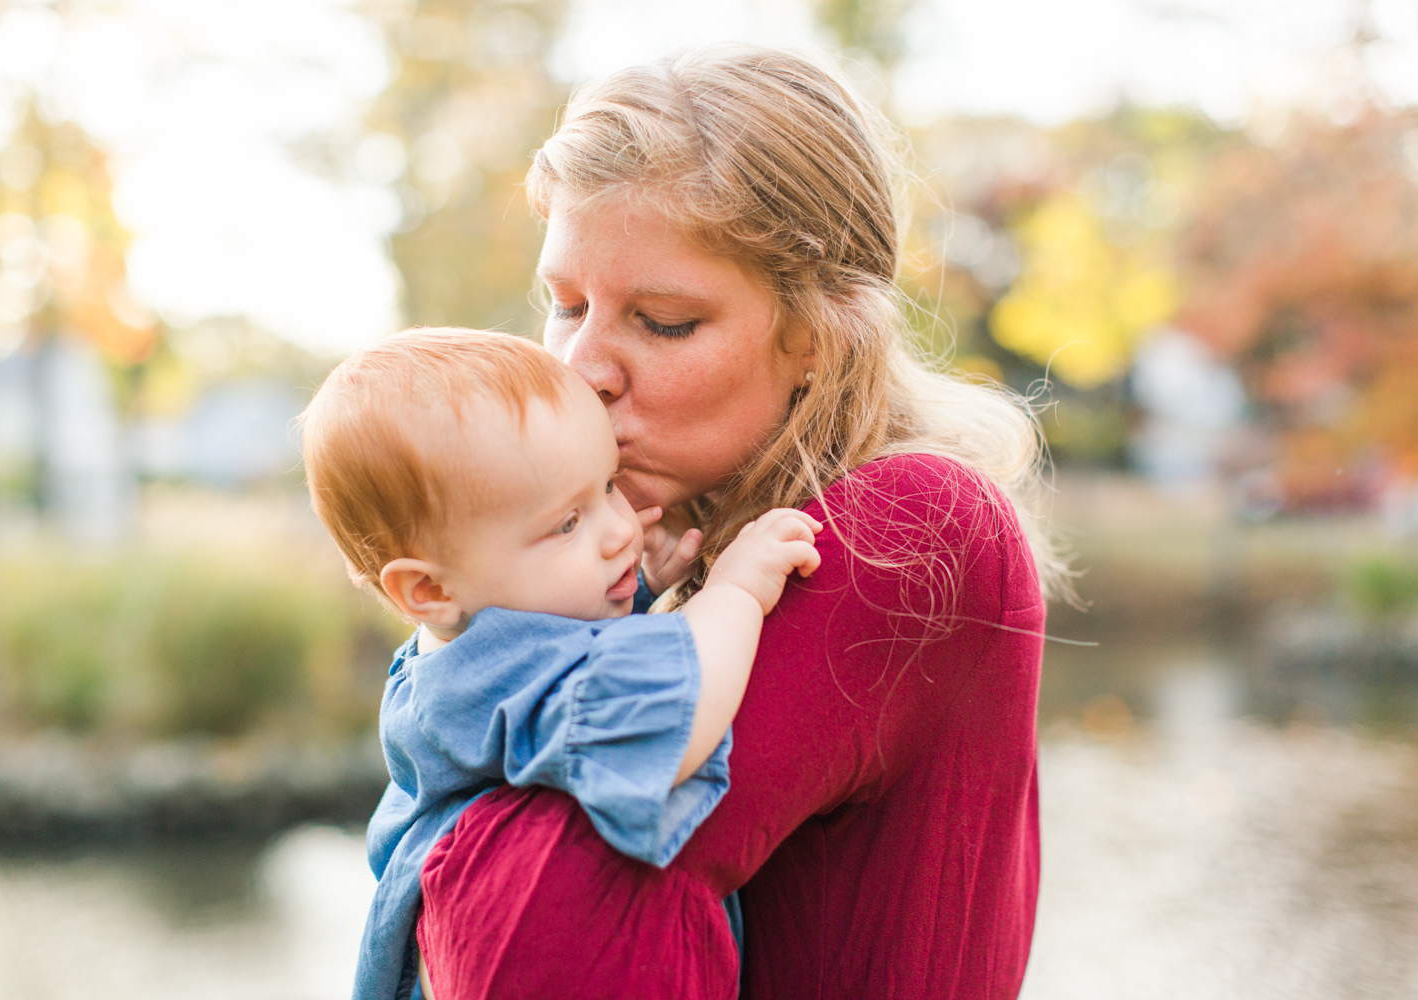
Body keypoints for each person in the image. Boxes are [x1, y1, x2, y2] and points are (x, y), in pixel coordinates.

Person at [408, 46, 1070, 1000]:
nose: (581, 369)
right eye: (565, 306)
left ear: (817, 335)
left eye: (663, 321)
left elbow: (536, 907)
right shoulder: (651, 543)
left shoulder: (914, 523)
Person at [299, 328, 821, 1000]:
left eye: (607, 486)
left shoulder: (460, 637)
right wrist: (734, 593)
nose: (620, 529)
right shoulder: (515, 667)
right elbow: (678, 723)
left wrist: (640, 594)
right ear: (426, 590)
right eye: (567, 524)